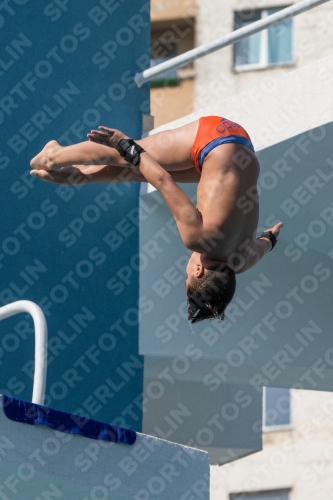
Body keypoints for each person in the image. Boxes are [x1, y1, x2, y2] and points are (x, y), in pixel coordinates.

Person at [30, 116, 283, 323]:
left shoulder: (240, 262)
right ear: (198, 270)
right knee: (126, 157)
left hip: (239, 146)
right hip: (213, 137)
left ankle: (73, 176)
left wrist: (271, 234)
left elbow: (265, 244)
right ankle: (54, 155)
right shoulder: (198, 239)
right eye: (187, 278)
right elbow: (162, 180)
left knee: (137, 171)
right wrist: (124, 144)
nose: (186, 270)